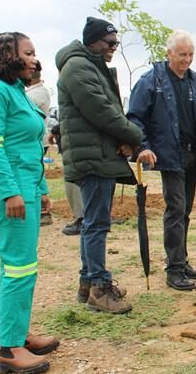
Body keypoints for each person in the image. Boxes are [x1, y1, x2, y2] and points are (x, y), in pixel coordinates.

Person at [0, 32, 59, 374]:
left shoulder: (16, 91)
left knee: (25, 264)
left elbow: (28, 148)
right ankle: (9, 348)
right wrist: (10, 193)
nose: (35, 60)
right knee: (18, 265)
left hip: (26, 186)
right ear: (8, 55)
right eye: (29, 53)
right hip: (6, 189)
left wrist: (40, 189)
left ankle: (20, 334)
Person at [56, 17, 142, 313]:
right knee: (96, 224)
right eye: (110, 43)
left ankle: (87, 283)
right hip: (91, 158)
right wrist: (135, 136)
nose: (114, 48)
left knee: (94, 221)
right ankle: (99, 288)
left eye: (116, 43)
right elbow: (102, 111)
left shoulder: (87, 65)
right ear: (93, 41)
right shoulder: (78, 67)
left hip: (97, 154)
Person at [128, 30, 196, 290]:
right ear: (169, 53)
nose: (187, 59)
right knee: (176, 209)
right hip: (169, 155)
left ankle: (181, 258)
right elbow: (135, 118)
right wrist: (142, 148)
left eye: (190, 54)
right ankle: (174, 269)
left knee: (185, 210)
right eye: (182, 54)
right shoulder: (151, 82)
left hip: (193, 155)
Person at [25, 64, 53, 226]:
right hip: (32, 140)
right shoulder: (29, 91)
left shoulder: (39, 92)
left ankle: (44, 210)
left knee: (36, 172)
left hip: (37, 141)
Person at [49, 122, 85, 236]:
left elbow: (70, 118)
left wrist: (55, 130)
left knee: (74, 183)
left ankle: (82, 219)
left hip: (76, 147)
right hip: (78, 146)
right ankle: (84, 218)